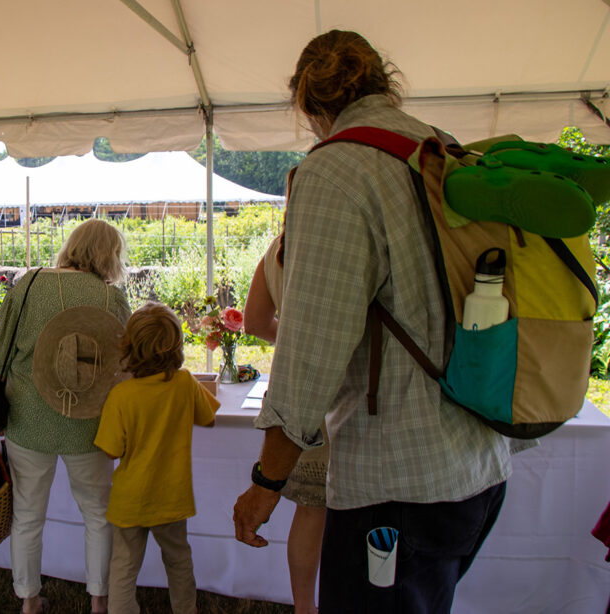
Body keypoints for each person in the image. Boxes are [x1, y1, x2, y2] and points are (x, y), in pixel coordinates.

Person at [232, 30, 511, 614]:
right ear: (384, 82)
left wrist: (268, 482)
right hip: (478, 465)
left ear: (310, 106)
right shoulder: (442, 148)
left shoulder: (336, 171)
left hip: (399, 483)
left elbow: (312, 349)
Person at [0, 218, 131, 614]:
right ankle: (99, 602)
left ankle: (29, 601)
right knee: (99, 516)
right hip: (89, 422)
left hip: (27, 417)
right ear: (109, 255)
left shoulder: (27, 285)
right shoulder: (111, 299)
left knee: (28, 515)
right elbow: (126, 364)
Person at [94, 302, 218, 614]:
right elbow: (209, 418)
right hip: (171, 498)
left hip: (129, 500)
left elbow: (111, 450)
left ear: (130, 346)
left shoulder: (121, 396)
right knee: (178, 561)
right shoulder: (185, 383)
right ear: (176, 345)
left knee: (123, 567)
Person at [244, 234, 328, 614]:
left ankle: (304, 607)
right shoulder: (339, 239)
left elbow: (255, 322)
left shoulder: (277, 250)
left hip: (299, 387)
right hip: (348, 393)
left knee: (311, 509)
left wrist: (293, 342)